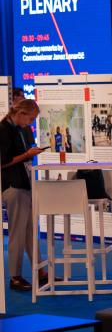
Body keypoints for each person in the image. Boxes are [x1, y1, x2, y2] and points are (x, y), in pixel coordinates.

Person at [0, 99, 55, 291]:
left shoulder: (22, 129)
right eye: (30, 119)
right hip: (12, 186)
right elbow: (3, 162)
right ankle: (14, 277)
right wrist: (26, 154)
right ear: (20, 113)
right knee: (17, 232)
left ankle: (39, 271)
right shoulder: (3, 130)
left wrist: (31, 152)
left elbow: (26, 151)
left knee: (31, 230)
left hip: (26, 184)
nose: (30, 123)